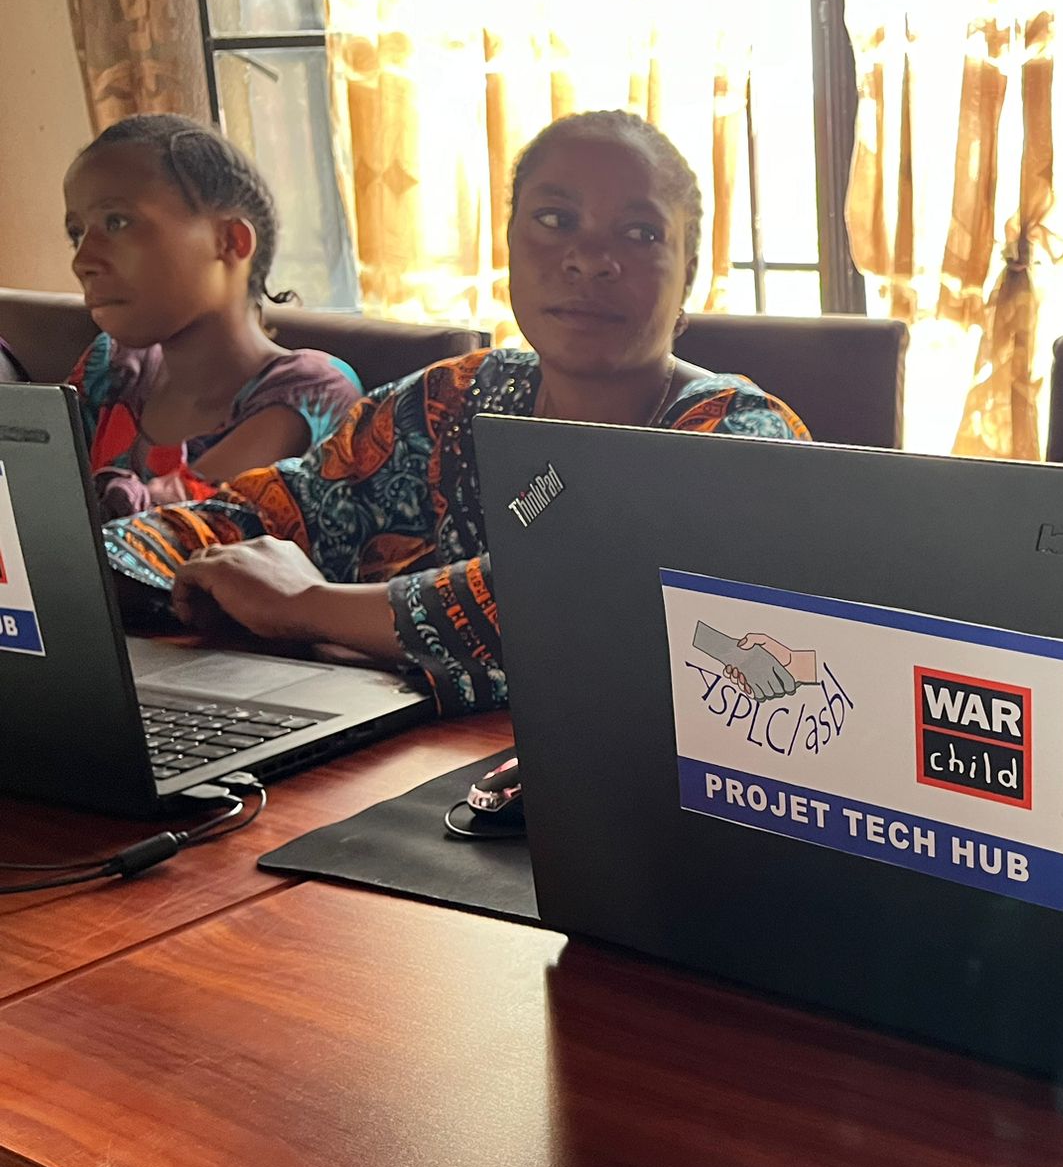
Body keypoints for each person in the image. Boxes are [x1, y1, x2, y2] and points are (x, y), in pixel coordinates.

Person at [104, 110, 808, 715]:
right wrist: (110, 570)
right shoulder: (451, 405)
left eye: (641, 233)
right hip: (411, 780)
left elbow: (593, 600)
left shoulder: (735, 436)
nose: (590, 259)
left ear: (689, 275)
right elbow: (264, 512)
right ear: (509, 248)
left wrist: (305, 606)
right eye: (555, 220)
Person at [61, 115, 363, 517]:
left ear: (230, 241)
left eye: (116, 222)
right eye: (77, 234)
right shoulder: (111, 368)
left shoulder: (310, 392)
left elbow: (182, 523)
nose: (82, 261)